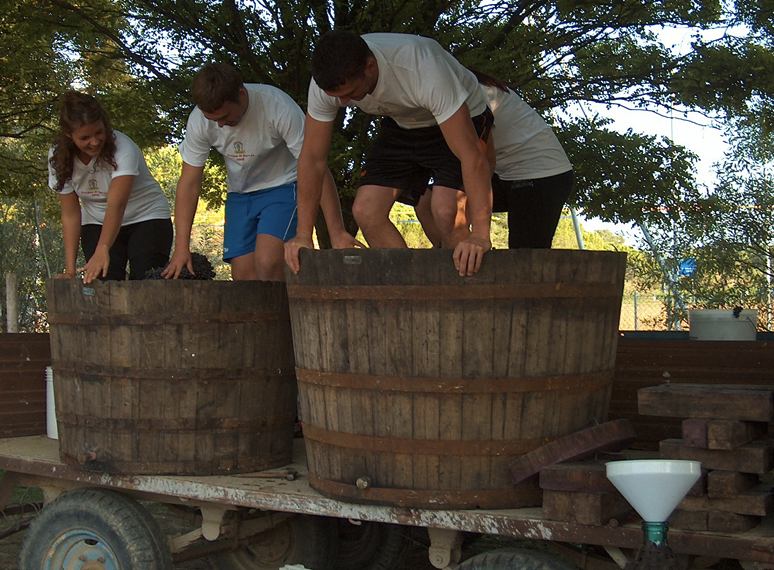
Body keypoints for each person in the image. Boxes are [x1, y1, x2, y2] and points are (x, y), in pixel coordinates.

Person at [284, 31, 495, 277]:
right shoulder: (327, 84)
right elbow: (312, 159)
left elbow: (472, 157)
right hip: (403, 121)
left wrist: (481, 235)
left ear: (370, 66)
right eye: (337, 97)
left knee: (446, 212)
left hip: (463, 115)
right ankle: (413, 292)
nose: (342, 103)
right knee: (366, 211)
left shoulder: (421, 66)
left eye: (350, 93)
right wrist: (302, 235)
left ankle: (459, 296)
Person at [163, 63, 358, 282]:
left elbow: (315, 166)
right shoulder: (199, 121)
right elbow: (189, 182)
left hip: (284, 187)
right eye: (213, 119)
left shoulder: (277, 106)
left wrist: (336, 232)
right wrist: (181, 248)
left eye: (225, 116)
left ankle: (290, 315)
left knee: (268, 262)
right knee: (244, 276)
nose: (220, 125)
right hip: (240, 194)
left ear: (241, 94)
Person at [414, 71, 574, 249]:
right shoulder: (444, 95)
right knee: (424, 199)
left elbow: (479, 157)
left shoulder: (472, 94)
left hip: (541, 175)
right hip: (504, 175)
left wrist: (474, 227)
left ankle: (465, 260)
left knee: (524, 257)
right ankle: (450, 256)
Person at [48, 91, 173, 285]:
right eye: (85, 137)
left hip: (146, 216)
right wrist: (70, 270)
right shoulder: (58, 158)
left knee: (146, 282)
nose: (95, 141)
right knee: (103, 282)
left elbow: (117, 205)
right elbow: (71, 214)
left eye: (99, 132)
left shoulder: (124, 148)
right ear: (68, 135)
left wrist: (103, 248)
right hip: (96, 221)